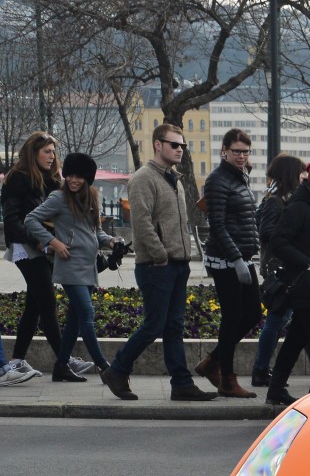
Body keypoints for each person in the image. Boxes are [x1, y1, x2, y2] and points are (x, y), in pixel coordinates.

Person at [102, 124, 217, 402]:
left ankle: (181, 384)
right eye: (174, 144)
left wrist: (183, 252)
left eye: (182, 146)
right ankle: (117, 369)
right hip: (157, 265)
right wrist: (160, 255)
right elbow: (141, 222)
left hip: (178, 263)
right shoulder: (143, 178)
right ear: (157, 145)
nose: (180, 149)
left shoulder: (173, 179)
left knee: (174, 326)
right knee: (155, 324)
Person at [22, 153, 123, 381]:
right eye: (70, 175)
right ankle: (105, 367)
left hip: (88, 267)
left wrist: (111, 241)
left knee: (76, 319)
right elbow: (30, 219)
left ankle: (61, 366)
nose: (73, 180)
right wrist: (53, 242)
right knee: (87, 313)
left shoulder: (92, 199)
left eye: (79, 176)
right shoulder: (59, 198)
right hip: (69, 265)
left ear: (88, 179)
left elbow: (96, 232)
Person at [2, 132, 92, 379]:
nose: (52, 157)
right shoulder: (17, 179)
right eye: (47, 152)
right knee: (48, 301)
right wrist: (40, 242)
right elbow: (11, 221)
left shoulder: (51, 180)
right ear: (34, 152)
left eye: (54, 152)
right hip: (25, 246)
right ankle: (64, 362)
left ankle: (18, 360)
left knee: (35, 305)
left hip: (44, 246)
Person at [195, 128, 261, 398]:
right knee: (232, 318)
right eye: (236, 151)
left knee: (253, 314)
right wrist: (236, 260)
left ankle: (212, 363)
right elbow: (218, 226)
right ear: (224, 150)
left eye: (245, 151)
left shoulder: (240, 177)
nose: (242, 156)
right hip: (225, 260)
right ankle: (227, 379)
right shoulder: (217, 180)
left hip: (243, 256)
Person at [263, 160, 310, 405]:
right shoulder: (298, 208)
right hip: (304, 285)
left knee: (295, 340)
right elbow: (277, 242)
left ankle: (275, 390)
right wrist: (306, 262)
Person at [251, 153, 307, 387]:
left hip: (284, 268)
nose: (304, 178)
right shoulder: (275, 201)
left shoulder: (283, 200)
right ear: (291, 175)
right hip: (278, 269)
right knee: (276, 320)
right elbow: (266, 233)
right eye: (301, 174)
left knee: (281, 319)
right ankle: (261, 370)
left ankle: (262, 369)